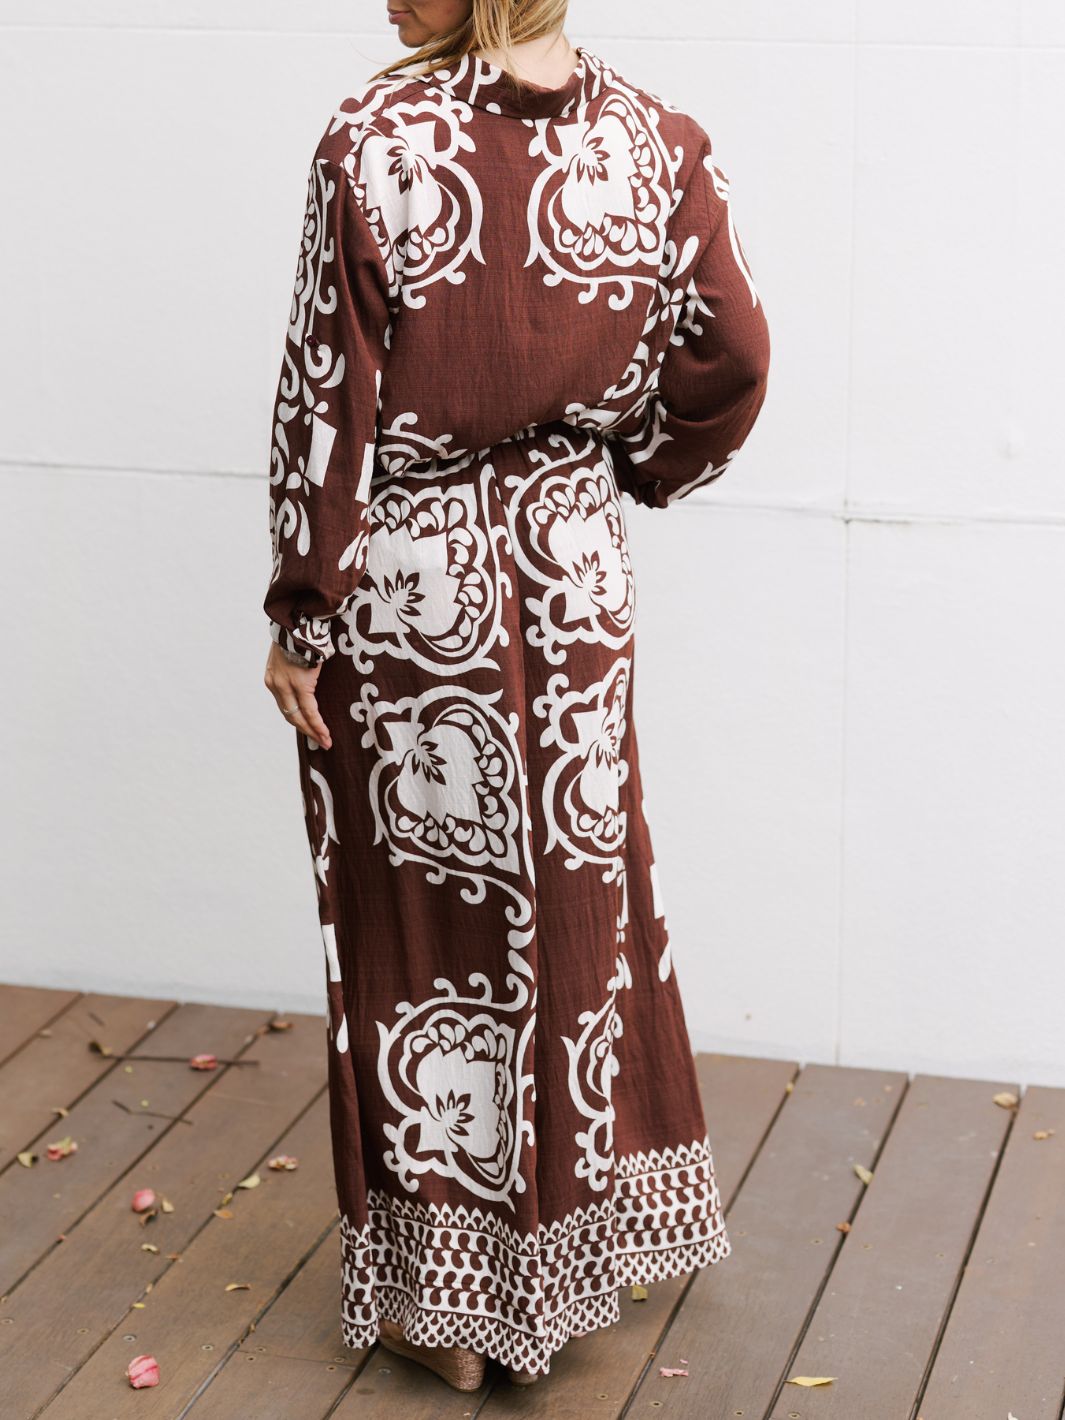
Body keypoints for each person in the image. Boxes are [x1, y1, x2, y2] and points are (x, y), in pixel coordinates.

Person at [261, 0, 771, 1394]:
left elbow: (329, 395)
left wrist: (303, 609)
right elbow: (733, 354)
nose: (382, 0)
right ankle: (569, 1268)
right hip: (569, 562)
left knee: (421, 928)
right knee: (573, 896)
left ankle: (452, 1311)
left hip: (410, 581)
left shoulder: (374, 137)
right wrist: (632, 469)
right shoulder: (660, 141)